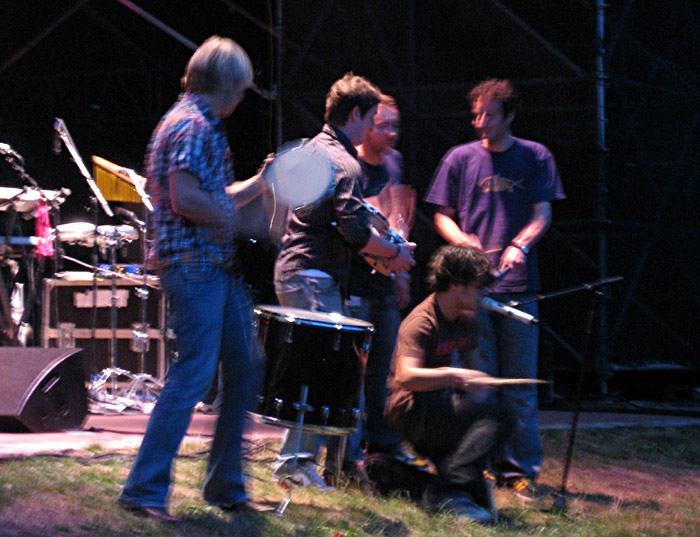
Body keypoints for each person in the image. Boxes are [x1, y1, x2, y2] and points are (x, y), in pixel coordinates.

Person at [119, 36, 270, 521]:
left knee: (245, 367)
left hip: (213, 270)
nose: (243, 98)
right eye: (242, 89)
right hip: (196, 268)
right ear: (224, 84)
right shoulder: (190, 127)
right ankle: (144, 491)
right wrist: (235, 220)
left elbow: (212, 193)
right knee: (193, 376)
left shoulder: (195, 124)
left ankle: (226, 485)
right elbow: (185, 198)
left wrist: (259, 184)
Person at [273, 74, 416, 490]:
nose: (374, 127)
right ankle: (294, 463)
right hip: (314, 275)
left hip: (296, 269)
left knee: (315, 368)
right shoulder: (345, 161)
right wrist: (395, 253)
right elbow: (354, 230)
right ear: (355, 114)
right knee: (325, 370)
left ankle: (305, 461)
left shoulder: (311, 149)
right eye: (372, 118)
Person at [424, 78, 566, 499]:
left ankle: (521, 469)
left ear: (509, 116)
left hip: (520, 287)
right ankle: (477, 464)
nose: (480, 122)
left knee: (519, 383)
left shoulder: (535, 156)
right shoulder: (459, 158)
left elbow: (543, 213)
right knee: (477, 381)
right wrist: (463, 241)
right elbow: (441, 216)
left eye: (489, 114)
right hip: (472, 292)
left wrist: (520, 244)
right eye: (476, 114)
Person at [385, 244, 513, 524]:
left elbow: (474, 372)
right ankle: (445, 492)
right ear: (457, 285)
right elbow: (406, 377)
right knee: (497, 417)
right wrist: (455, 376)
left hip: (440, 404)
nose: (483, 294)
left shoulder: (467, 319)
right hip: (411, 409)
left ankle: (445, 488)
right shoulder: (421, 322)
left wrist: (479, 384)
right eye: (479, 287)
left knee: (495, 412)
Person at [345, 94, 416, 464]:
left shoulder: (394, 162)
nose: (392, 133)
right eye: (384, 124)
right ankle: (350, 449)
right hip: (354, 283)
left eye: (396, 126)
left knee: (385, 370)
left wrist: (400, 274)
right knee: (353, 372)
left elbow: (397, 220)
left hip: (385, 283)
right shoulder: (350, 164)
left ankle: (384, 443)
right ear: (367, 123)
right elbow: (352, 230)